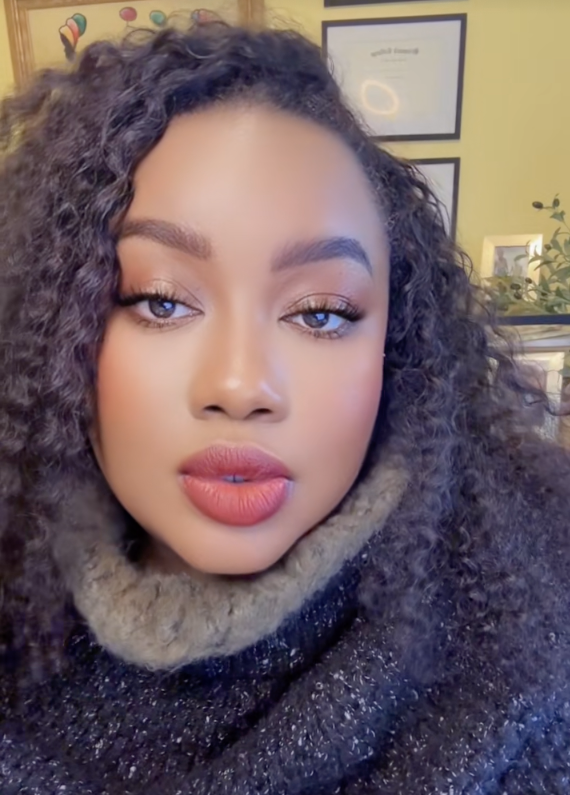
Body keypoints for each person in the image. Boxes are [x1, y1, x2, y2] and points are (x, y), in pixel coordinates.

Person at [0, 17, 569, 794]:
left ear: (398, 348)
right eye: (161, 301)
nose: (241, 386)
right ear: (56, 334)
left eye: (321, 312)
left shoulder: (533, 652)